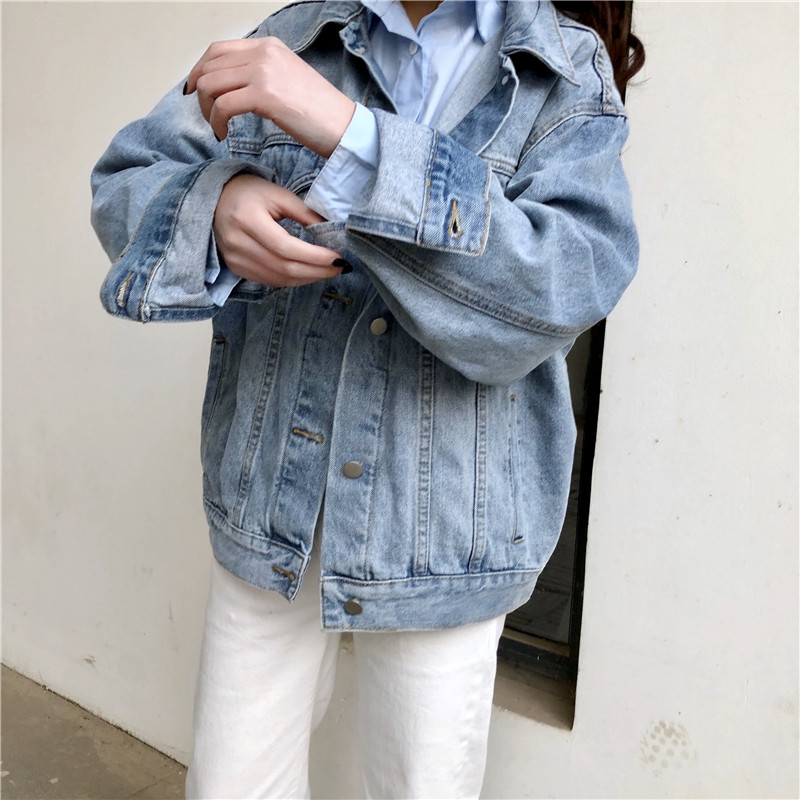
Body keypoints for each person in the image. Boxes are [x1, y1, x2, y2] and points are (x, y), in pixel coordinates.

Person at [90, 1, 644, 797]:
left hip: (447, 522)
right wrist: (216, 206)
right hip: (273, 494)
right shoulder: (295, 37)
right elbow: (127, 178)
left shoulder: (560, 69)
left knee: (417, 785)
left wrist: (353, 138)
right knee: (231, 783)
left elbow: (564, 285)